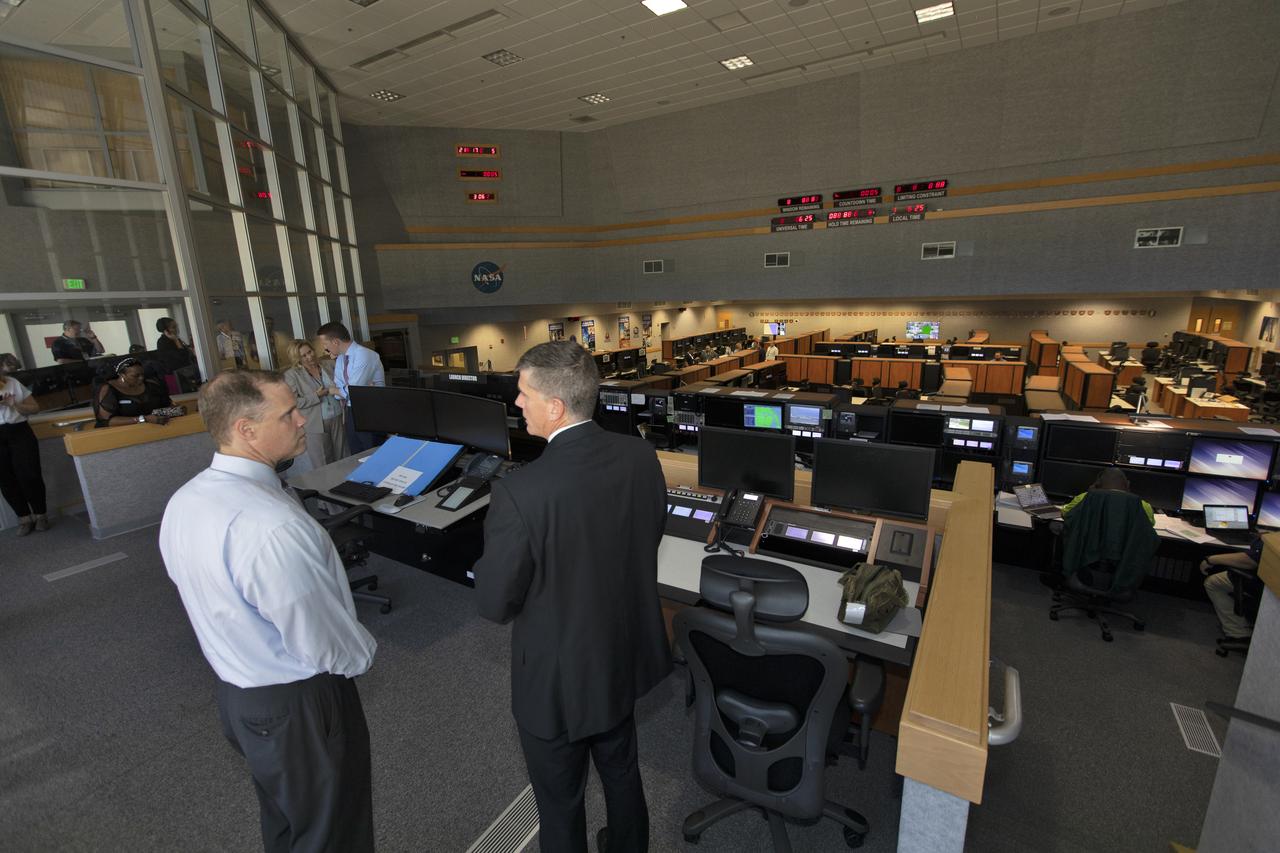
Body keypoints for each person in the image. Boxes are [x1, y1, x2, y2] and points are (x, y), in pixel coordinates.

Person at [160, 370, 376, 853]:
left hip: (240, 698)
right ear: (246, 430)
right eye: (288, 413)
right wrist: (363, 656)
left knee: (286, 824)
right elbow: (319, 638)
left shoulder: (186, 500)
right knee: (333, 833)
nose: (302, 419)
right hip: (301, 703)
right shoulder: (268, 525)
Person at [474, 341, 672, 853]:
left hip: (558, 682)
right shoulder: (640, 455)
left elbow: (495, 603)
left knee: (561, 803)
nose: (517, 404)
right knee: (622, 770)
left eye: (523, 394)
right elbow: (646, 535)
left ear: (555, 407)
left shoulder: (521, 492)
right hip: (620, 656)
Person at [316, 322, 385, 454]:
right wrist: (341, 390)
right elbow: (340, 388)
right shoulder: (341, 358)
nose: (325, 349)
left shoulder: (364, 355)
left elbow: (352, 390)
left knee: (372, 452)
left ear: (335, 341)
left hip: (370, 409)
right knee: (356, 453)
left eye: (325, 344)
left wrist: (337, 390)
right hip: (351, 410)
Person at [0, 353, 49, 536]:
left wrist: (14, 404)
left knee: (29, 474)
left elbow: (35, 408)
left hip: (19, 431)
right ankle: (24, 518)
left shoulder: (12, 383)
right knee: (5, 479)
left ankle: (40, 514)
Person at [282, 339, 345, 473]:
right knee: (322, 461)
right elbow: (293, 402)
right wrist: (316, 396)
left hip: (338, 416)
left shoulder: (329, 364)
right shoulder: (292, 375)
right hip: (315, 422)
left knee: (342, 455)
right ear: (297, 358)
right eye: (303, 356)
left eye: (310, 352)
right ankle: (328, 489)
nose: (309, 357)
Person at [93, 357, 178, 428]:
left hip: (159, 429)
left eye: (142, 374)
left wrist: (176, 411)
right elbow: (106, 421)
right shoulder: (108, 389)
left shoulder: (151, 385)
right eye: (135, 376)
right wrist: (143, 419)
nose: (141, 378)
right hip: (123, 435)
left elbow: (168, 405)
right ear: (122, 375)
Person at [1201, 547, 1257, 653]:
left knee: (1212, 583)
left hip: (1258, 582)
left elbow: (1250, 560)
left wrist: (1211, 559)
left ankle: (1239, 634)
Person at [1062, 468, 1154, 524]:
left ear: (1097, 484)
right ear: (1127, 485)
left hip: (1089, 552)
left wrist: (1091, 491)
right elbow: (1149, 525)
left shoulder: (1084, 498)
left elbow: (1066, 514)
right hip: (1126, 554)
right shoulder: (1143, 506)